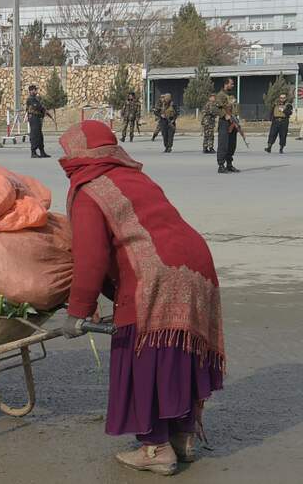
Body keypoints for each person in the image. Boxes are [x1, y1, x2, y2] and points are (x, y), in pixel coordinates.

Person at [58, 120, 224, 476]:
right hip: (197, 265)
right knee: (177, 349)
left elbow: (91, 258)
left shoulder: (89, 190)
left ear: (78, 153)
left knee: (142, 354)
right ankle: (182, 436)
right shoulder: (135, 176)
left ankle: (155, 449)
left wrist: (78, 311)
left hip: (156, 272)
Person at [215, 78, 240, 173]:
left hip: (233, 122)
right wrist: (224, 115)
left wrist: (236, 119)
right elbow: (216, 108)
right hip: (224, 123)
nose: (233, 85)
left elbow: (235, 107)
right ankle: (221, 165)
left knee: (232, 144)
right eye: (231, 84)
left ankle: (229, 164)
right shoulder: (220, 95)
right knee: (223, 144)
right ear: (226, 84)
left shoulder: (231, 96)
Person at [25, 84, 50, 158]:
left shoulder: (35, 98)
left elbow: (40, 107)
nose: (36, 91)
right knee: (34, 135)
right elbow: (37, 106)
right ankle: (33, 152)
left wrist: (44, 111)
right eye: (34, 90)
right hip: (33, 118)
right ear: (31, 91)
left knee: (39, 136)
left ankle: (42, 151)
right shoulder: (30, 99)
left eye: (36, 90)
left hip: (37, 118)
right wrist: (43, 109)